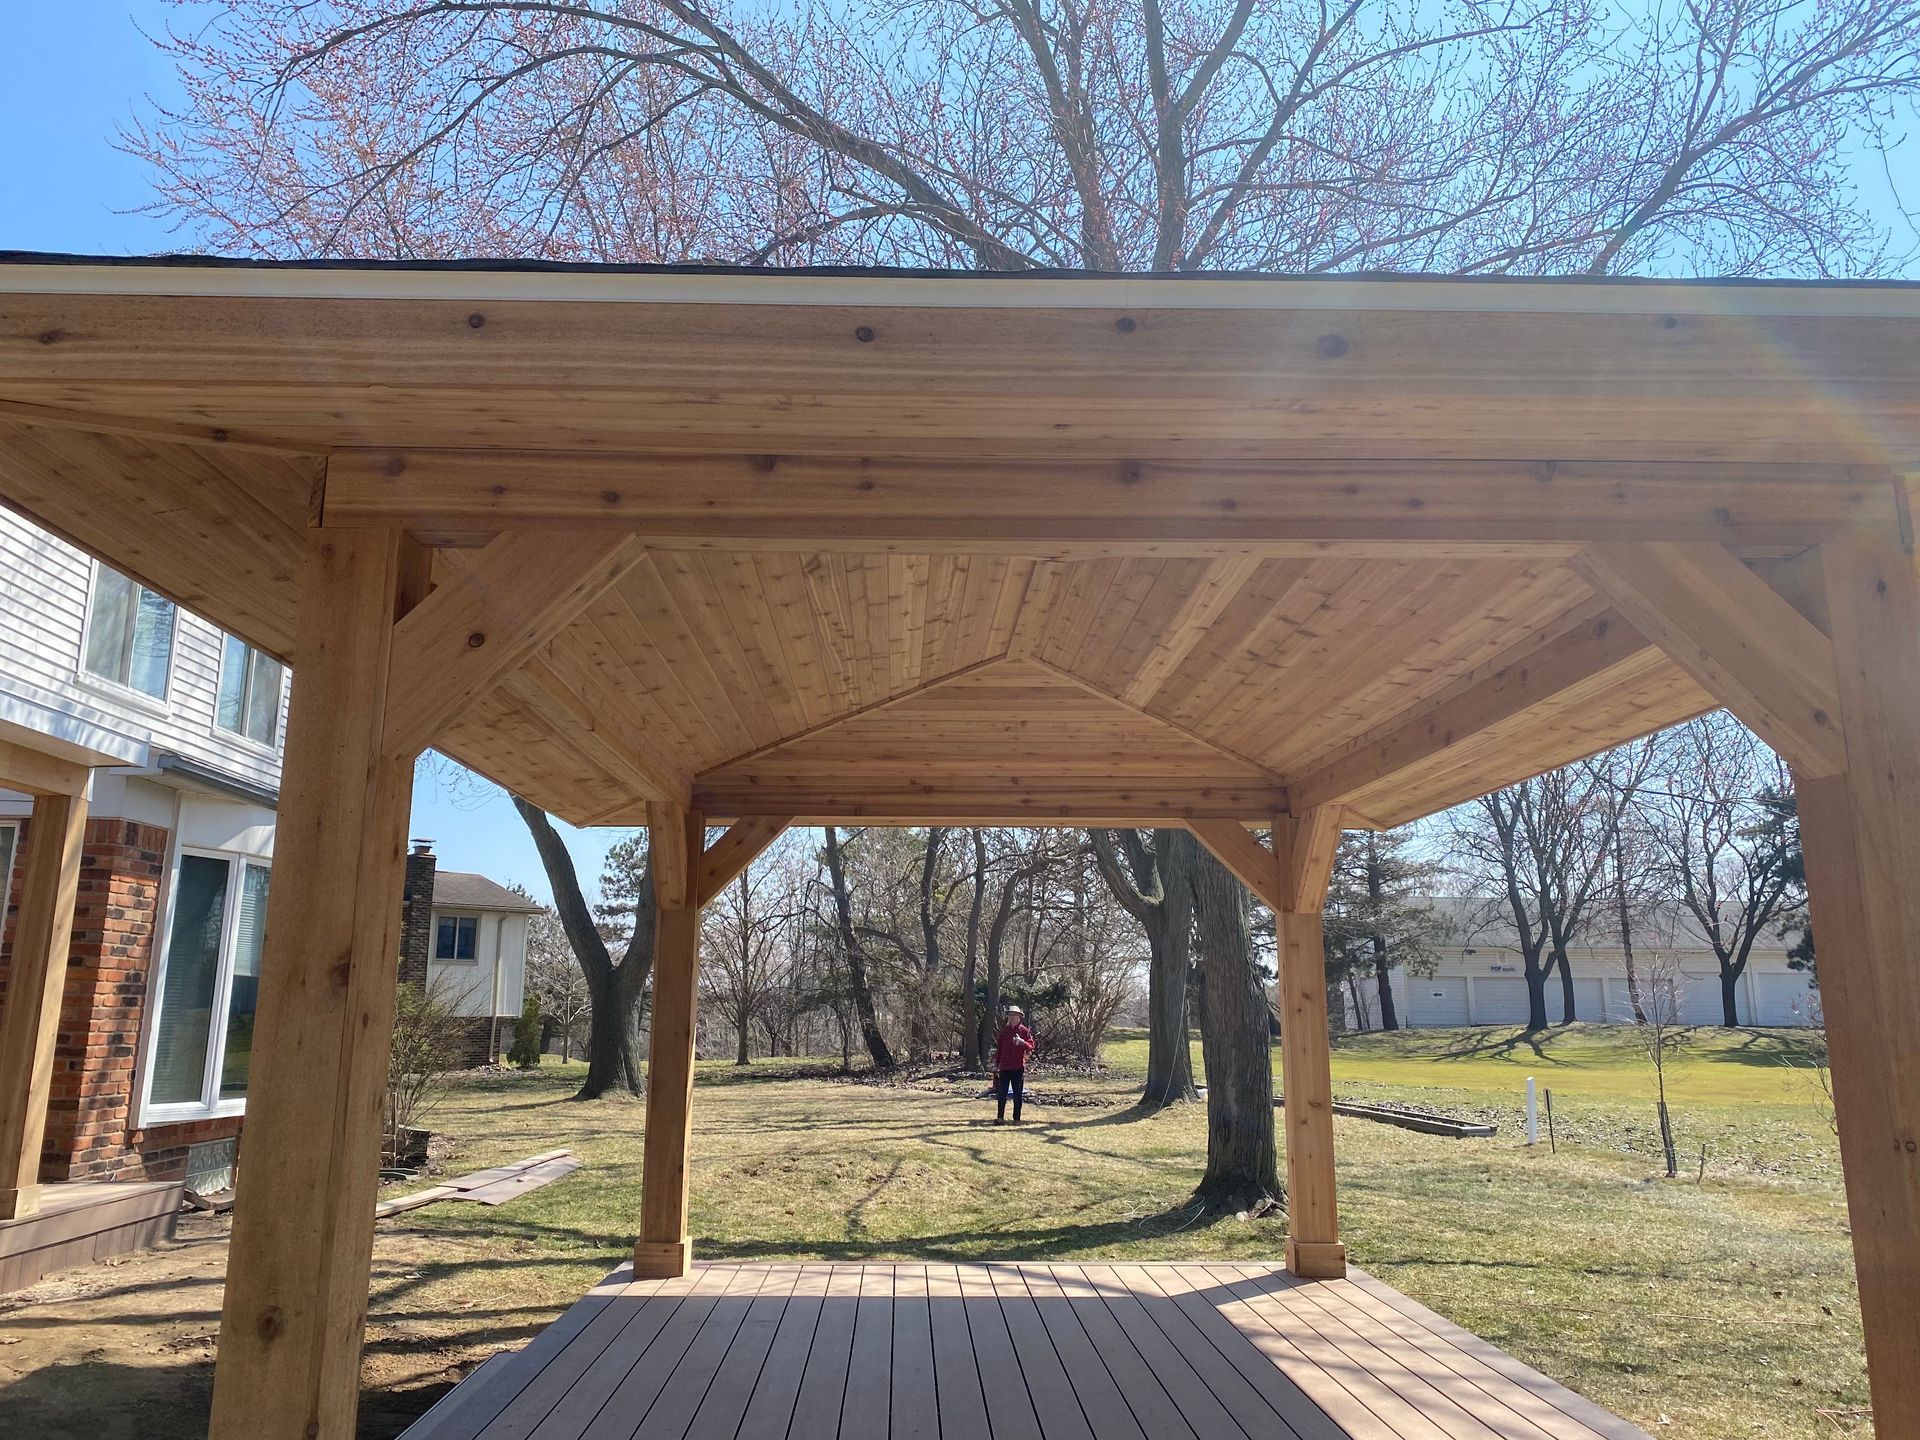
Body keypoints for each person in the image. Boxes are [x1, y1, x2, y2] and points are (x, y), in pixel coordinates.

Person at [992, 1005, 1035, 1124]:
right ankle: (1000, 1117)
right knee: (1002, 1093)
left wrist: (1022, 1042)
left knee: (1017, 1094)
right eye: (1010, 1015)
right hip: (1004, 1067)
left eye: (1014, 1015)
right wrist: (996, 1064)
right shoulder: (1004, 1031)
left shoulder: (1024, 1031)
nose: (1011, 1017)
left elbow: (1031, 1046)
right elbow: (999, 1049)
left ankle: (1017, 1119)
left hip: (1018, 1067)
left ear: (1019, 1017)